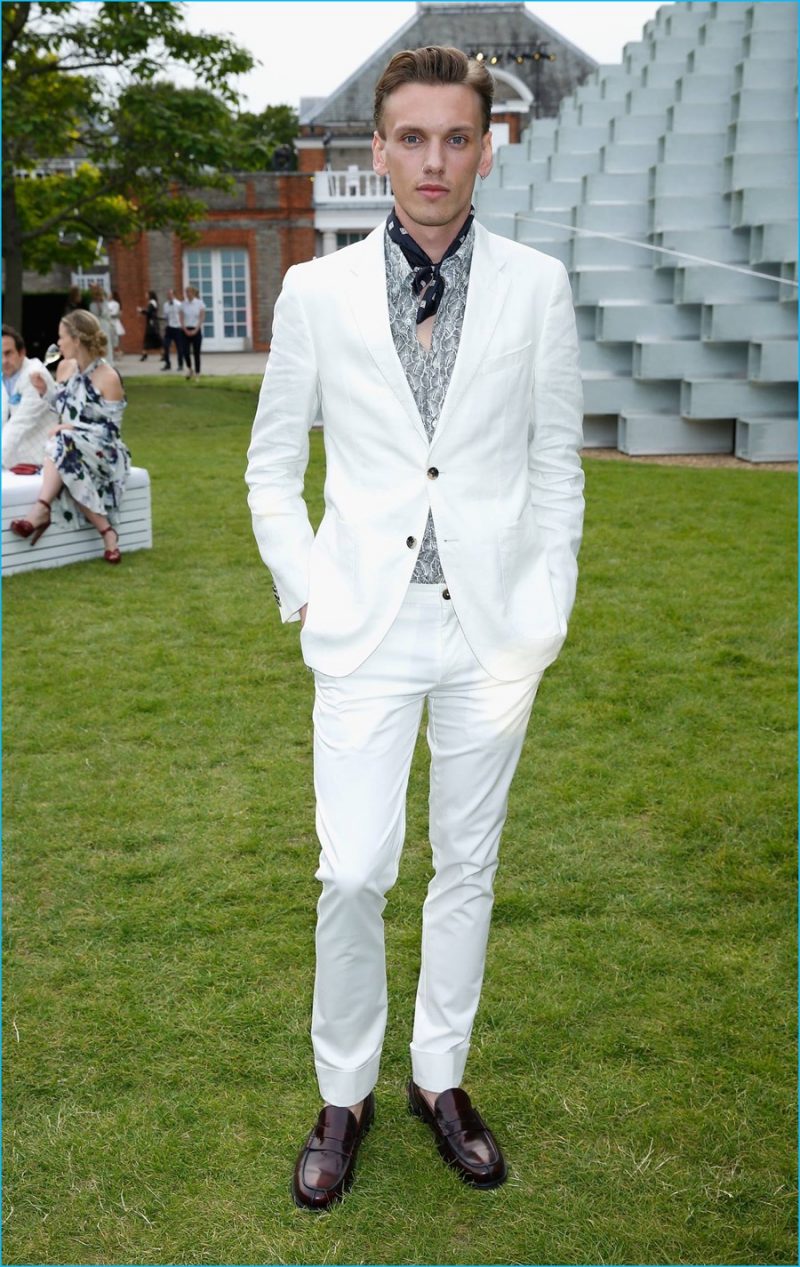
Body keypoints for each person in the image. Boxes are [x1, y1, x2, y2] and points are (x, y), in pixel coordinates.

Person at [245, 46, 584, 1211]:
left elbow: (554, 468)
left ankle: (440, 1077)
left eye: (455, 138)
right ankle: (342, 1091)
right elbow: (271, 467)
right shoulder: (313, 292)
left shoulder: (537, 286)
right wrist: (309, 588)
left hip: (492, 632)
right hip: (364, 632)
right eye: (411, 138)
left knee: (467, 865)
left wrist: (546, 610)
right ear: (377, 147)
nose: (433, 161)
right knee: (353, 870)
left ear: (484, 145)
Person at [10, 310, 131, 563]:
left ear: (76, 340)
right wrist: (46, 393)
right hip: (71, 448)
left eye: (61, 337)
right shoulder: (65, 368)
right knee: (61, 446)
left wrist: (72, 429)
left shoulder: (108, 377)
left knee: (60, 442)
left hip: (104, 452)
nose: (58, 343)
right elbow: (65, 409)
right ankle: (107, 533)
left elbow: (111, 431)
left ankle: (40, 512)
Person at [1, 324, 57, 469]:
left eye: (8, 353)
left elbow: (19, 424)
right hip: (13, 462)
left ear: (22, 352)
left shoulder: (36, 375)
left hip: (41, 464)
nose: (3, 361)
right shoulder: (4, 376)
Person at [180, 286, 205, 379]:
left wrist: (196, 329)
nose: (187, 294)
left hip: (196, 330)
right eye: (186, 292)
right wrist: (185, 329)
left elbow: (202, 317)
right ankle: (190, 369)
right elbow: (181, 318)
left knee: (196, 352)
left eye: (189, 292)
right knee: (185, 352)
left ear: (193, 293)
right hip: (185, 330)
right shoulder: (183, 304)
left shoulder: (200, 303)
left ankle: (198, 373)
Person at [89, 284, 114, 365]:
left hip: (104, 324)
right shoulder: (92, 304)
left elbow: (104, 313)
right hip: (96, 324)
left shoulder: (105, 303)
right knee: (97, 343)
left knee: (106, 343)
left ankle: (108, 361)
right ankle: (98, 361)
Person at [161, 288, 185, 371]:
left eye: (170, 294)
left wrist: (182, 326)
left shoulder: (179, 304)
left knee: (179, 347)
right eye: (168, 294)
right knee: (166, 345)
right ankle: (167, 364)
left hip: (177, 328)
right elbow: (165, 316)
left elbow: (182, 316)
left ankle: (180, 365)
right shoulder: (165, 305)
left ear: (174, 295)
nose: (169, 296)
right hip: (169, 327)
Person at [137, 290, 161, 361]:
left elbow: (149, 312)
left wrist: (141, 310)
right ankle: (145, 354)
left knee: (152, 339)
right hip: (151, 323)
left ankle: (145, 354)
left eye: (147, 294)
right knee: (152, 339)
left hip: (152, 324)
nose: (146, 295)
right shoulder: (152, 303)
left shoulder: (152, 303)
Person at [107, 289, 125, 358]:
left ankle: (117, 352)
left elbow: (114, 313)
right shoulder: (106, 303)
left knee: (115, 339)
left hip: (113, 322)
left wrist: (108, 313)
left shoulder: (115, 304)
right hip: (108, 322)